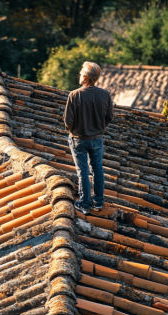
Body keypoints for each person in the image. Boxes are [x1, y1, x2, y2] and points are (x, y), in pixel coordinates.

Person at [63, 61, 114, 215]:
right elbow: (109, 117)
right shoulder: (105, 95)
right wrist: (100, 128)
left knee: (83, 171)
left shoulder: (74, 95)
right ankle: (98, 201)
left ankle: (85, 203)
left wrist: (73, 130)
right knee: (97, 168)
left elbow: (68, 121)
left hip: (79, 139)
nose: (79, 75)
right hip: (97, 138)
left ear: (85, 78)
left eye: (80, 73)